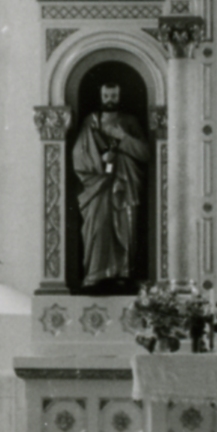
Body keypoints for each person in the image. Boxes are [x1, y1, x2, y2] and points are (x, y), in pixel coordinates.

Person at [71, 80, 149, 289]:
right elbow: (78, 154)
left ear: (120, 96)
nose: (110, 100)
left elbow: (145, 153)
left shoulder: (129, 121)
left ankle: (124, 271)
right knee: (98, 226)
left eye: (114, 96)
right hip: (98, 186)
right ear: (101, 96)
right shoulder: (91, 122)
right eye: (106, 96)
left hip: (125, 184)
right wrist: (101, 160)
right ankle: (96, 273)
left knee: (125, 225)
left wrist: (123, 138)